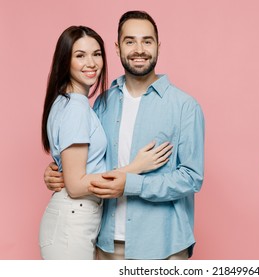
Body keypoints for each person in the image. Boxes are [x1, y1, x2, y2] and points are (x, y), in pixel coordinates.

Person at [44, 11, 205, 260]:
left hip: (162, 244)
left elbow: (191, 177)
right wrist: (59, 171)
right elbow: (86, 161)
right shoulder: (102, 103)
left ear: (158, 47)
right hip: (105, 242)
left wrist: (132, 184)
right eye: (130, 41)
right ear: (118, 48)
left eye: (147, 41)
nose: (139, 49)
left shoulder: (184, 106)